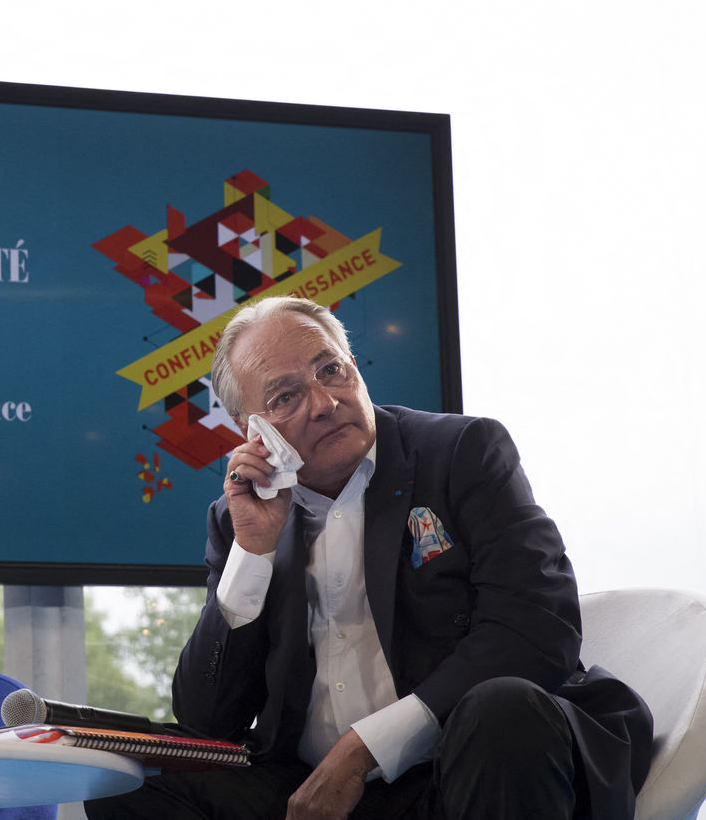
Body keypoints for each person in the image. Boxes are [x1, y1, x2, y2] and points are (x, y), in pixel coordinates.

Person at [86, 296, 653, 820]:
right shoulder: (240, 518)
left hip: (460, 767)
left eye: (331, 370)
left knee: (504, 708)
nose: (325, 403)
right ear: (252, 431)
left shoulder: (461, 452)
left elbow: (538, 629)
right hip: (309, 790)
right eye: (285, 397)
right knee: (125, 785)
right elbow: (207, 720)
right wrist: (252, 554)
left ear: (355, 367)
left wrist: (362, 750)